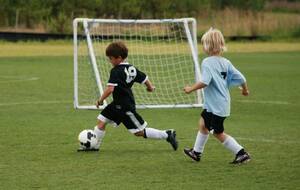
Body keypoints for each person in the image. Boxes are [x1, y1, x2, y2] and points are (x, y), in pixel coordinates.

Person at [78, 41, 178, 152]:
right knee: (101, 121)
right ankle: (94, 146)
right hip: (117, 104)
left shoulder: (115, 71)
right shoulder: (131, 68)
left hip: (125, 106)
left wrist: (100, 100)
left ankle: (167, 134)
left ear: (119, 58)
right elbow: (144, 77)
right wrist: (150, 87)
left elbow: (110, 89)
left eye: (111, 58)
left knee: (139, 132)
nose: (109, 61)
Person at [183, 28, 250, 164]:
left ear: (208, 46)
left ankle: (241, 153)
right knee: (203, 124)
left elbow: (205, 82)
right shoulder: (226, 62)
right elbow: (242, 78)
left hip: (217, 106)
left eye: (204, 44)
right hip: (217, 104)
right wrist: (245, 90)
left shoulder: (207, 62)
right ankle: (196, 152)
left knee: (217, 133)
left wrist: (191, 89)